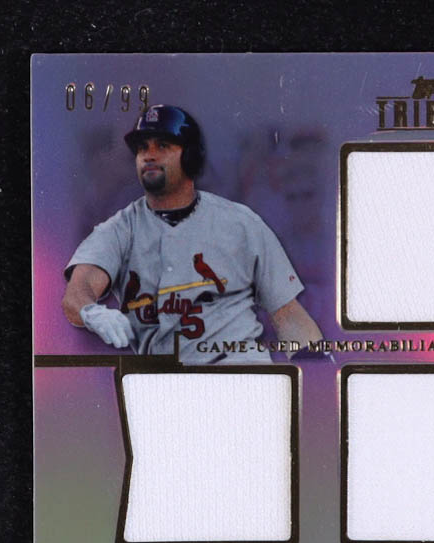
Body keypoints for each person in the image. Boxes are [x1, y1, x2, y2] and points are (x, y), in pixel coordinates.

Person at [62, 105, 323, 363]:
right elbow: (78, 291)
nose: (149, 156)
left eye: (162, 146)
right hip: (166, 382)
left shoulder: (241, 224)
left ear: (190, 156)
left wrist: (316, 370)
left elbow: (287, 313)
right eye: (143, 148)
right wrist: (90, 312)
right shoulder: (120, 230)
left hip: (241, 378)